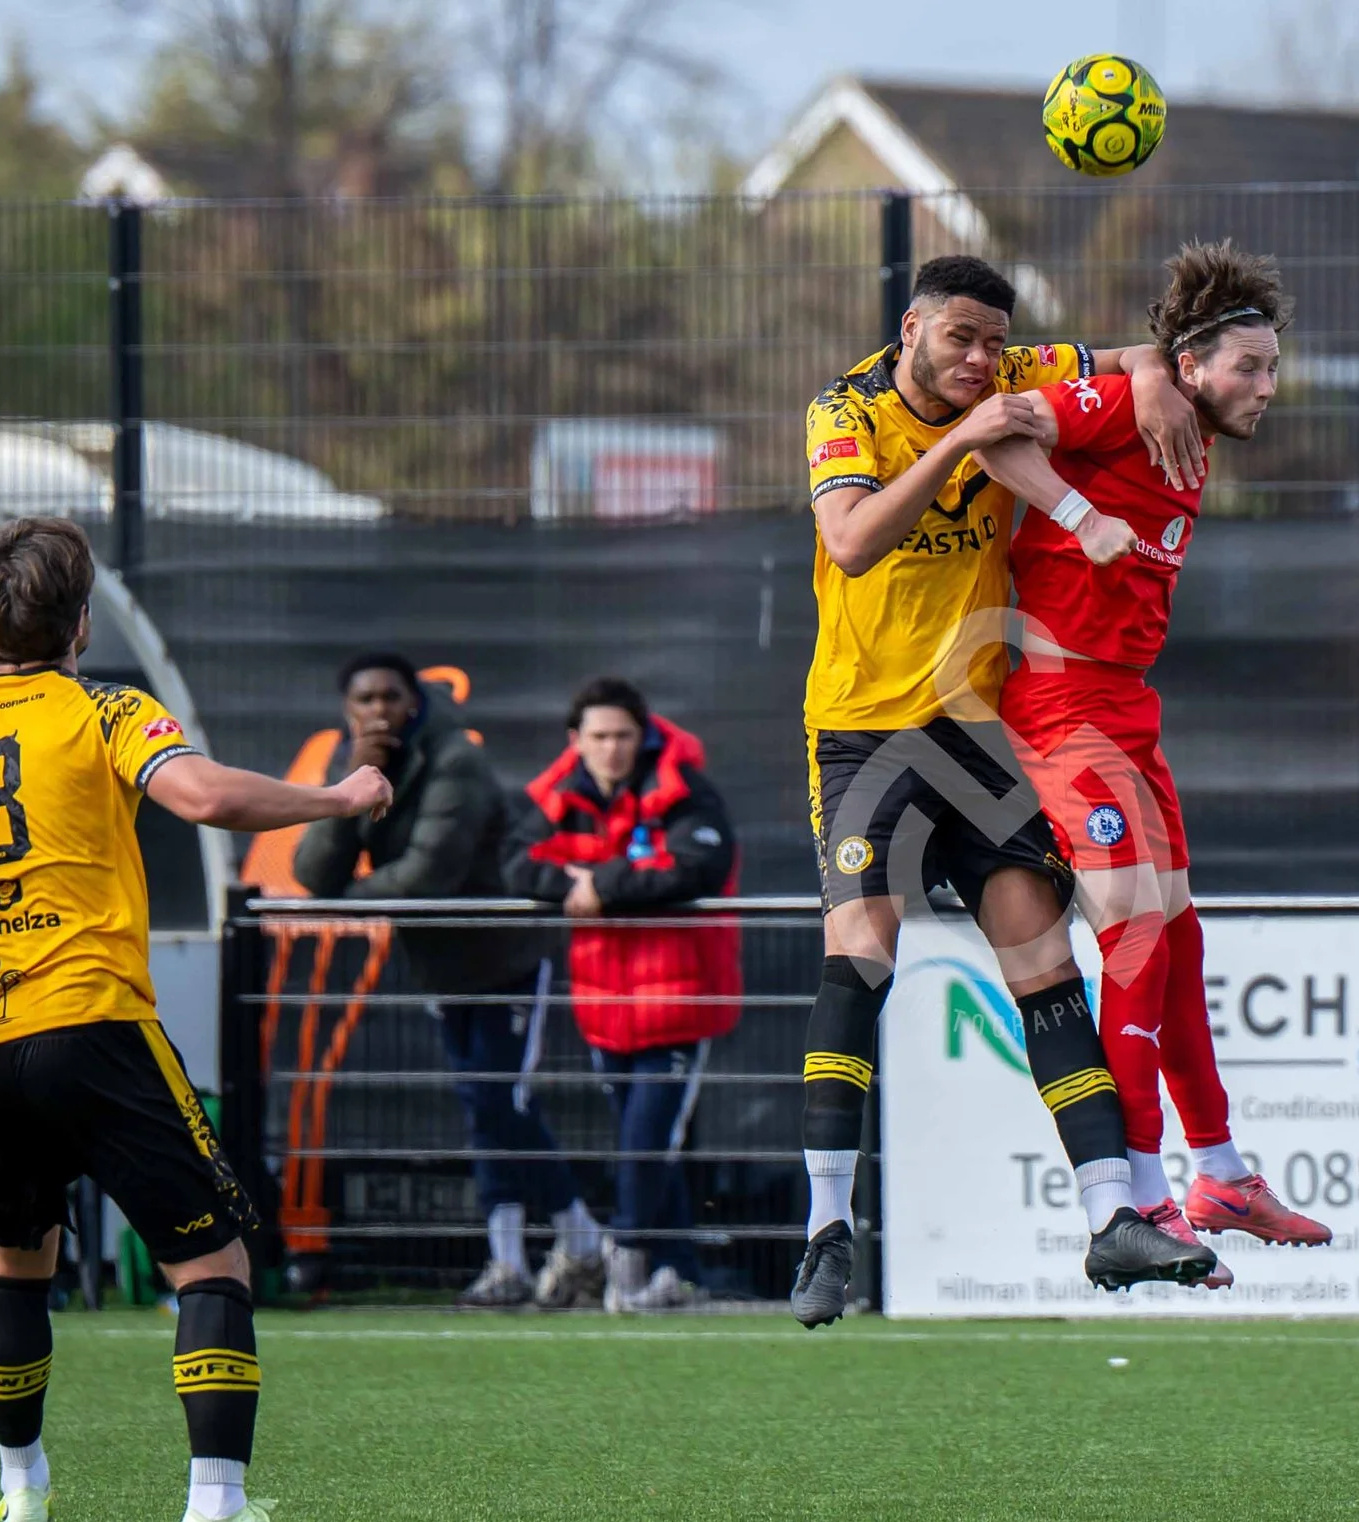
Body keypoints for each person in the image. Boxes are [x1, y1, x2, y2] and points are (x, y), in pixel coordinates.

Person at [0, 514, 392, 1522]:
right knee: (211, 1257)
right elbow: (199, 795)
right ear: (84, 621)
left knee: (15, 1259)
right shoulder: (103, 710)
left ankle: (24, 1489)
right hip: (90, 1017)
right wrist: (337, 792)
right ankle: (217, 1506)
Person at [791, 253, 1219, 1326]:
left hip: (982, 732)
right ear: (912, 329)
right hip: (866, 731)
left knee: (1043, 963)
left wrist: (1161, 380)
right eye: (960, 340)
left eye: (993, 343)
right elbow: (848, 542)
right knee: (861, 959)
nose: (981, 361)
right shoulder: (844, 410)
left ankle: (1111, 1217)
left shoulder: (1010, 374)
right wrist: (958, 445)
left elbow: (1125, 355)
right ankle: (825, 1229)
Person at [973, 240, 1333, 1276]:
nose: (1266, 387)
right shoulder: (1129, 404)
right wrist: (1081, 513)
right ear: (1192, 367)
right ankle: (1140, 1196)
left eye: (1271, 368)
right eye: (1248, 369)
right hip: (1060, 700)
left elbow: (1146, 374)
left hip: (1126, 706)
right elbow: (997, 431)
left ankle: (1218, 1169)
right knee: (1133, 931)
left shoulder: (1183, 418)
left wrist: (1153, 380)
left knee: (1176, 935)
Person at [294, 653, 599, 1310]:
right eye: (364, 699)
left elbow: (430, 872)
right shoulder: (356, 760)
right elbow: (313, 868)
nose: (377, 710)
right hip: (443, 967)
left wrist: (346, 900)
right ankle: (510, 1262)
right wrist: (351, 782)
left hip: (508, 958)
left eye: (389, 697)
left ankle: (582, 1239)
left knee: (502, 1102)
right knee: (479, 1108)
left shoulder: (454, 757)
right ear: (348, 710)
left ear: (413, 702)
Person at [505, 677, 740, 1313]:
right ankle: (679, 1270)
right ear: (575, 741)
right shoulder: (561, 793)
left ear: (645, 737)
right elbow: (516, 862)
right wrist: (577, 883)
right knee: (647, 1146)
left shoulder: (686, 788)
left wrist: (602, 884)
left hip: (681, 999)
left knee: (643, 1143)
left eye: (623, 736)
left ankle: (625, 1272)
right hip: (604, 1003)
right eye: (600, 737)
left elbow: (701, 866)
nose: (612, 749)